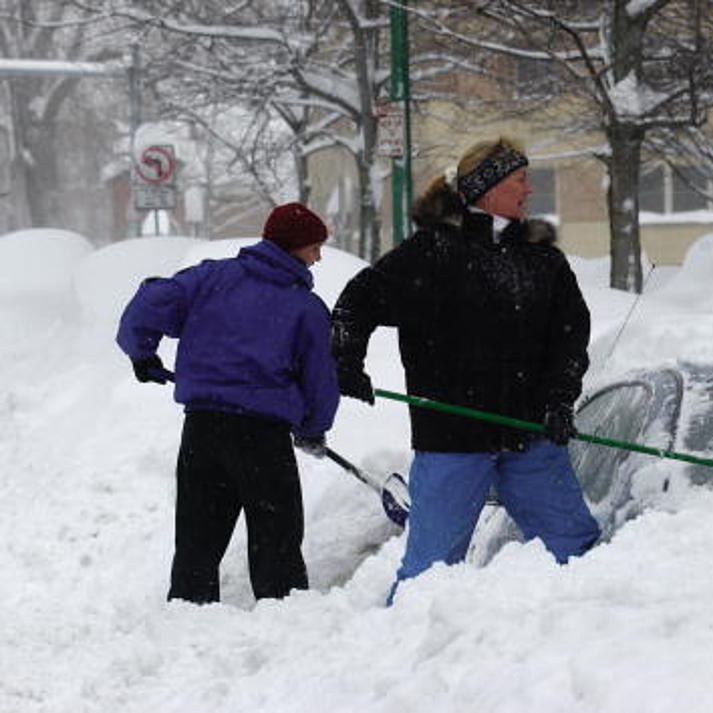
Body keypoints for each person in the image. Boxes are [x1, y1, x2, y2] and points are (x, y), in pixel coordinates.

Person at [331, 137, 600, 601]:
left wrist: (560, 398)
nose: (528, 190)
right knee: (429, 571)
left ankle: (580, 643)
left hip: (529, 435)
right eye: (519, 180)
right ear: (488, 186)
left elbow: (570, 338)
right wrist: (346, 363)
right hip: (451, 440)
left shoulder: (542, 261)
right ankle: (405, 652)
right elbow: (357, 303)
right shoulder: (431, 254)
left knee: (576, 551)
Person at [116, 202, 340, 604]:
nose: (318, 257)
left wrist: (142, 353)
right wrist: (312, 428)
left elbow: (148, 304)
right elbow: (321, 381)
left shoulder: (210, 278)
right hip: (263, 440)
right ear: (293, 247)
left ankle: (187, 620)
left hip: (202, 431)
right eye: (314, 247)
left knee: (197, 543)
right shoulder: (305, 309)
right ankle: (286, 626)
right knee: (277, 546)